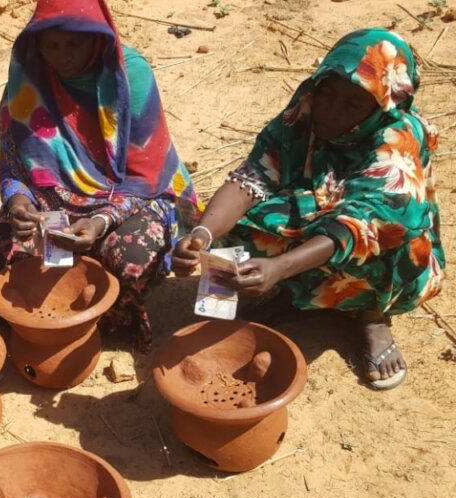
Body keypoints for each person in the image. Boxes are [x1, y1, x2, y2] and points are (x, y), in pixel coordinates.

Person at [172, 29, 445, 390]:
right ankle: (226, 314)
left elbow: (359, 225)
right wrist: (202, 234)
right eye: (326, 94)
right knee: (230, 222)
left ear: (382, 105)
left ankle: (372, 317)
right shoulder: (304, 111)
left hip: (372, 236)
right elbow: (254, 176)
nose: (330, 111)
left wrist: (280, 266)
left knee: (396, 244)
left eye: (352, 104)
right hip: (319, 207)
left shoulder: (398, 137)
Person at [0, 0, 199, 349]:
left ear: (96, 37)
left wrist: (101, 221)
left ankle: (108, 319)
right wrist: (19, 200)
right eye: (51, 46)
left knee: (131, 259)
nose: (62, 56)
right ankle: (49, 322)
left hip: (135, 194)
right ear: (37, 44)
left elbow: (144, 175)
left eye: (74, 44)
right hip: (53, 196)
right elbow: (14, 164)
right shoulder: (28, 77)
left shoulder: (130, 76)